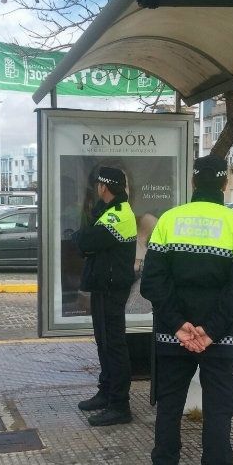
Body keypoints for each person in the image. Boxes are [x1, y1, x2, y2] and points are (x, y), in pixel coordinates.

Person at [140, 154, 233, 465]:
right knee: (218, 419)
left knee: (168, 413)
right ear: (223, 184)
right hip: (219, 342)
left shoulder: (169, 220)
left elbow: (152, 283)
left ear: (193, 183)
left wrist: (178, 326)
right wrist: (209, 332)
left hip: (170, 337)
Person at [73, 166, 137, 426]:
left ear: (104, 187)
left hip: (112, 288)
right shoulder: (109, 211)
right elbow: (88, 242)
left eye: (99, 184)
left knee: (114, 345)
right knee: (104, 341)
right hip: (103, 286)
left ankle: (120, 406)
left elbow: (84, 241)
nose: (97, 188)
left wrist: (83, 240)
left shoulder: (119, 214)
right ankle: (107, 391)